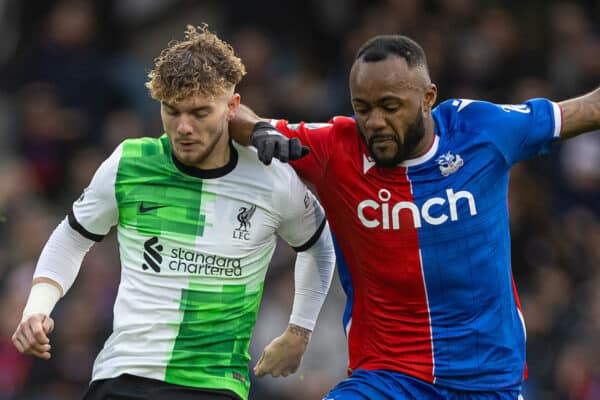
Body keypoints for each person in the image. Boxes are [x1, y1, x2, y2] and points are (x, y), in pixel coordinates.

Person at [229, 34, 600, 399]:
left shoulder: (480, 128)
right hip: (388, 379)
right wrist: (260, 129)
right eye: (363, 108)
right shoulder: (336, 148)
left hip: (488, 381)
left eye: (390, 107)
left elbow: (588, 109)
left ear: (427, 98)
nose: (374, 121)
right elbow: (234, 116)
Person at [11, 24, 335, 400]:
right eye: (172, 111)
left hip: (213, 384)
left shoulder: (271, 179)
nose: (183, 127)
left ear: (233, 107)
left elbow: (318, 246)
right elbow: (71, 237)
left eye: (199, 113)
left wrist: (299, 330)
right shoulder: (130, 163)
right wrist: (37, 308)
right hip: (123, 374)